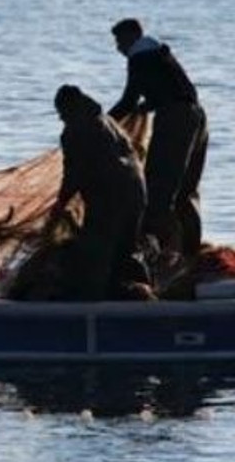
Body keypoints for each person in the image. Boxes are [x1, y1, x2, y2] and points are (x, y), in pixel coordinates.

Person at [107, 19, 207, 259]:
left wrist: (103, 121)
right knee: (185, 192)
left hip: (175, 120)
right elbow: (172, 89)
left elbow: (128, 101)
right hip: (197, 116)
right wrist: (148, 105)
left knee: (159, 189)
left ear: (132, 36)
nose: (118, 48)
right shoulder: (160, 54)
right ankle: (190, 254)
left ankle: (159, 254)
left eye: (120, 41)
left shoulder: (139, 57)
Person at [46, 85, 147, 301]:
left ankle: (91, 302)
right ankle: (138, 294)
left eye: (62, 113)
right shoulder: (108, 121)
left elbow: (73, 174)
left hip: (110, 197)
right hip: (137, 192)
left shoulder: (75, 130)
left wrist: (59, 206)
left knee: (95, 253)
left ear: (70, 108)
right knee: (126, 250)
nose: (61, 119)